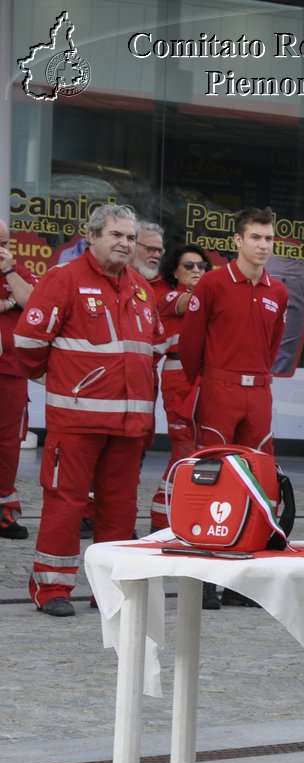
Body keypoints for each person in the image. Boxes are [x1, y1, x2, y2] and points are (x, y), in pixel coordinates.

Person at [10, 204, 168, 617]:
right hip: (77, 422)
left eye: (130, 238)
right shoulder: (63, 279)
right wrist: (65, 383)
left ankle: (109, 590)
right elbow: (27, 344)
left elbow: (150, 350)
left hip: (129, 426)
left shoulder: (140, 288)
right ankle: (51, 588)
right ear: (92, 236)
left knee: (119, 510)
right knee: (65, 503)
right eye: (116, 235)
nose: (125, 243)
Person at [176, 208, 288, 459]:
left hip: (259, 391)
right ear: (238, 240)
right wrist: (209, 381)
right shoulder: (213, 283)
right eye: (255, 238)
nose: (263, 246)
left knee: (258, 464)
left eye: (268, 239)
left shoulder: (279, 292)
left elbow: (273, 344)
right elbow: (190, 343)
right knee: (215, 461)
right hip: (219, 389)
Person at [149, 244, 209, 536]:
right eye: (189, 266)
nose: (197, 270)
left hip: (202, 380)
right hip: (179, 381)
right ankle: (161, 516)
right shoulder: (170, 298)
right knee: (184, 451)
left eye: (202, 266)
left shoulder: (204, 295)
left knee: (199, 452)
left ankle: (183, 515)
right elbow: (195, 302)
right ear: (174, 271)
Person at [0, 219, 39, 540]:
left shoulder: (17, 272)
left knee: (7, 445)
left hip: (10, 372)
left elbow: (35, 303)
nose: (0, 248)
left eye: (4, 242)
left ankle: (3, 513)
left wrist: (9, 274)